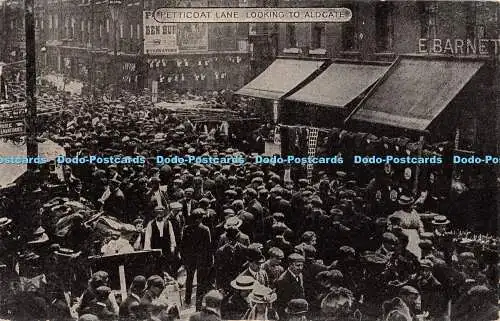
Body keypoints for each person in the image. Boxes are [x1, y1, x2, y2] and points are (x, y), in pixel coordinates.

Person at [180, 208, 213, 310]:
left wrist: (184, 259)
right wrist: (210, 260)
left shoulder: (186, 229)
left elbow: (183, 246)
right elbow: (209, 246)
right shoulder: (205, 229)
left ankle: (187, 299)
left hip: (190, 259)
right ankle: (198, 305)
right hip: (201, 259)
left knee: (189, 279)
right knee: (200, 282)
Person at [144, 207, 177, 276]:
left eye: (161, 213)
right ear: (155, 213)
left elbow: (172, 235)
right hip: (155, 248)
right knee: (156, 267)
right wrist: (148, 249)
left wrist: (172, 247)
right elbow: (147, 237)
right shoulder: (151, 224)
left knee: (167, 266)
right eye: (157, 213)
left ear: (163, 213)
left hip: (166, 248)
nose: (159, 214)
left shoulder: (168, 223)